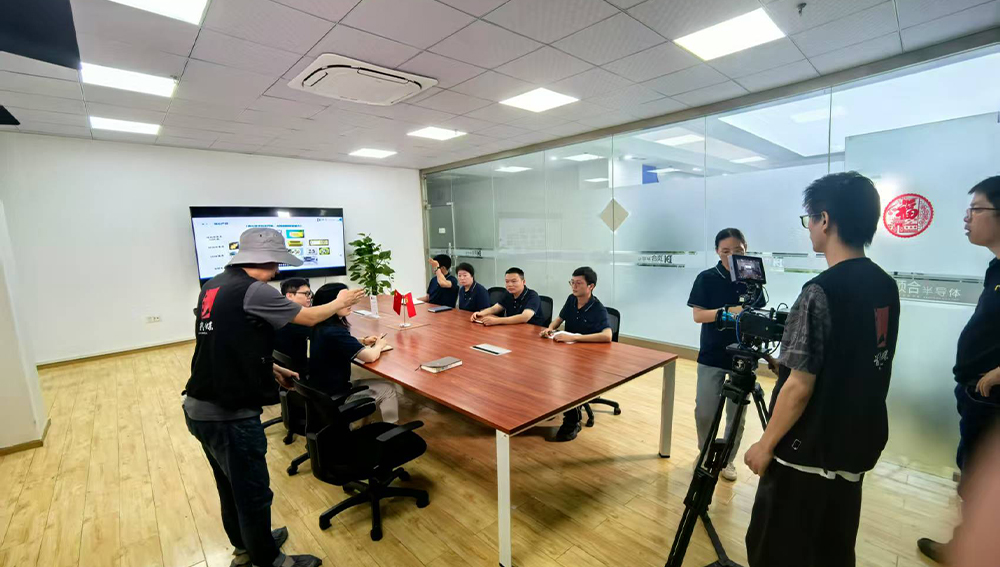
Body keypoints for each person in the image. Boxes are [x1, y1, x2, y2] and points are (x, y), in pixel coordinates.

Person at [742, 172, 900, 567]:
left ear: (825, 220)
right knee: (834, 549)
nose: (809, 228)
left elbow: (799, 386)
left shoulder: (819, 291)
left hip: (808, 453)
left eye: (809, 219)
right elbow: (856, 357)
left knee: (775, 551)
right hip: (857, 444)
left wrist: (765, 445)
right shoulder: (885, 285)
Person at [184, 227, 364, 567]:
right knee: (253, 493)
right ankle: (269, 561)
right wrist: (340, 302)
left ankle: (247, 547)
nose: (278, 270)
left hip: (200, 406)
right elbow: (309, 317)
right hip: (230, 414)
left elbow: (226, 343)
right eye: (277, 262)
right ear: (264, 258)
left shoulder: (214, 285)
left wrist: (270, 369)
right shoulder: (252, 290)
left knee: (229, 488)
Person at [918, 175, 1000, 563]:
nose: (967, 218)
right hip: (976, 394)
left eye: (976, 209)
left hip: (992, 397)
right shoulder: (995, 268)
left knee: (983, 482)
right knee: (973, 478)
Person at [687, 228, 764, 482]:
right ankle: (705, 454)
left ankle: (727, 460)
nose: (732, 256)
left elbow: (758, 313)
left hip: (744, 357)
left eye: (738, 250)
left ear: (746, 249)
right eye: (725, 251)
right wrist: (730, 310)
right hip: (712, 354)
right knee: (705, 411)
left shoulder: (752, 280)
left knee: (737, 415)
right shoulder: (707, 278)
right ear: (717, 251)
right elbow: (698, 315)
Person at [308, 283, 400, 424]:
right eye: (346, 300)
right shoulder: (334, 331)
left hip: (323, 391)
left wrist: (362, 341)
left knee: (379, 383)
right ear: (331, 303)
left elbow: (337, 341)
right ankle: (392, 431)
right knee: (388, 389)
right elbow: (369, 357)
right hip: (336, 397)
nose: (350, 303)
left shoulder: (320, 326)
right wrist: (380, 345)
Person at [539, 266, 612, 442]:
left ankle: (573, 421)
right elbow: (559, 319)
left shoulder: (598, 308)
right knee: (542, 368)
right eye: (572, 282)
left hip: (588, 358)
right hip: (567, 353)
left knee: (567, 379)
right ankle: (549, 406)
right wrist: (550, 328)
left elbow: (607, 336)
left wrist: (575, 338)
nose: (574, 286)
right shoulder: (571, 300)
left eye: (578, 283)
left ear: (591, 286)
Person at [470, 267, 547, 327]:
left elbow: (524, 317)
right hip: (514, 328)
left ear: (523, 282)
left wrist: (496, 321)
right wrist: (480, 313)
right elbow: (495, 308)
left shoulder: (532, 296)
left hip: (533, 331)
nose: (510, 285)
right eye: (507, 281)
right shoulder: (508, 294)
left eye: (514, 281)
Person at [273, 278, 311, 375]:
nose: (309, 297)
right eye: (306, 294)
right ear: (289, 296)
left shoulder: (279, 312)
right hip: (294, 371)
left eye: (310, 293)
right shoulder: (294, 319)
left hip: (286, 366)